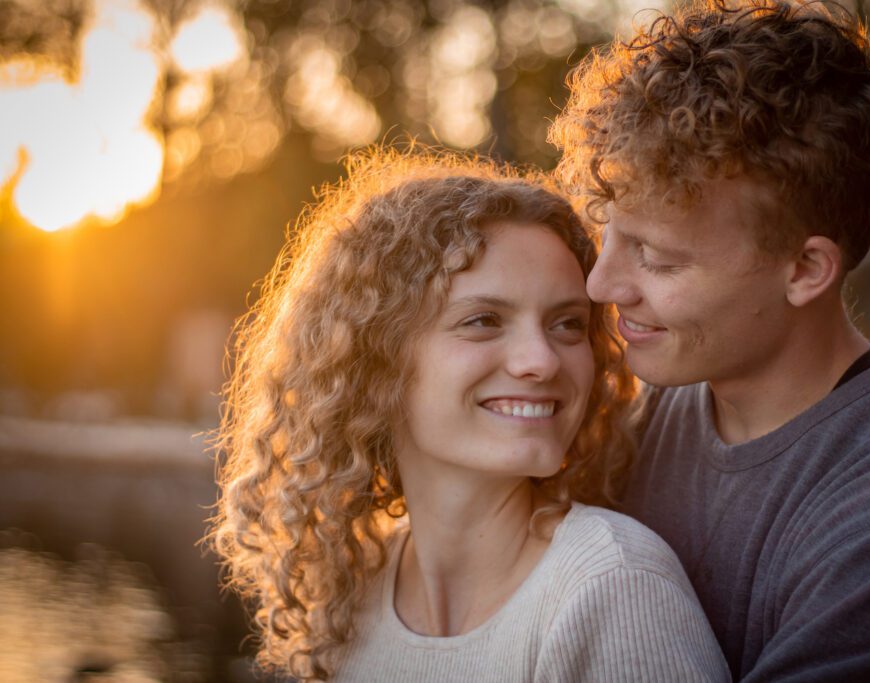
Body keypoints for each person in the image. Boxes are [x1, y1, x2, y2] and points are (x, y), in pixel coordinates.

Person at [550, 1, 870, 681]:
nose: (601, 284)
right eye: (610, 233)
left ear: (805, 269)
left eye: (655, 257)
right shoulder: (633, 413)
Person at [210, 149, 730, 682]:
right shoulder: (353, 598)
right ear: (375, 358)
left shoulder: (613, 589)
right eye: (484, 320)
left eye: (568, 324)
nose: (542, 360)